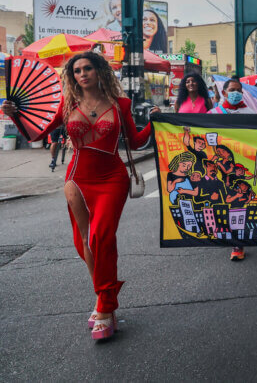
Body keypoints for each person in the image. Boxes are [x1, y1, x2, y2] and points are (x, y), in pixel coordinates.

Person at [2, 51, 159, 341]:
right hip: (76, 178)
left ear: (100, 71)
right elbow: (37, 136)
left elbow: (136, 141)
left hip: (112, 178)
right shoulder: (68, 103)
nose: (82, 74)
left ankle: (104, 305)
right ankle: (104, 301)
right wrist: (15, 115)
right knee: (85, 240)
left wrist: (155, 123)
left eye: (88, 68)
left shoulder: (120, 104)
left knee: (102, 236)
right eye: (76, 71)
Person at [208, 77, 254, 261]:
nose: (236, 93)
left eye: (239, 90)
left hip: (241, 167)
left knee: (238, 205)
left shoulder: (250, 113)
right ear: (224, 92)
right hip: (221, 172)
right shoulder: (213, 114)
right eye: (232, 90)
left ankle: (238, 243)